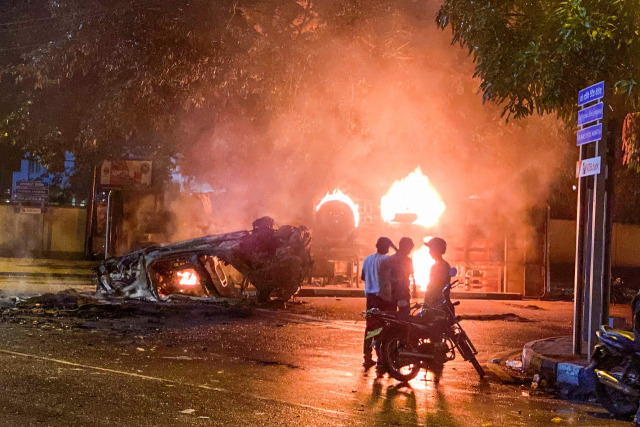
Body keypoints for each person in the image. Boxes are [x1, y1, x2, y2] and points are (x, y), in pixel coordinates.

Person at [361, 237, 396, 369]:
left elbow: (363, 276)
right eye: (388, 246)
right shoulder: (386, 259)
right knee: (381, 327)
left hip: (370, 297)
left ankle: (367, 356)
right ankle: (380, 357)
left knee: (370, 327)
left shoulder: (368, 259)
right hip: (381, 297)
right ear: (386, 247)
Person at [381, 237, 415, 319]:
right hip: (401, 293)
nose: (410, 251)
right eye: (409, 248)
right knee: (404, 316)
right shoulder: (407, 261)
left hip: (392, 293)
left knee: (390, 315)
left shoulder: (391, 259)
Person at [423, 237, 452, 309]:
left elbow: (434, 285)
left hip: (436, 302)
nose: (429, 252)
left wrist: (428, 301)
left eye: (430, 249)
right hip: (439, 301)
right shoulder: (444, 264)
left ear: (436, 250)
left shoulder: (439, 265)